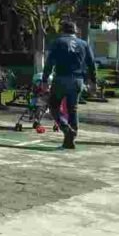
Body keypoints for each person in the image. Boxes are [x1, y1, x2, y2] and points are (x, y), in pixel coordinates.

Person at [41, 20, 96, 149]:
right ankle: (71, 138)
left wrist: (44, 80)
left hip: (61, 78)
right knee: (73, 109)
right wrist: (93, 81)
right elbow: (91, 64)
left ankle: (66, 129)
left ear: (62, 30)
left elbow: (49, 63)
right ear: (75, 31)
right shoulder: (84, 44)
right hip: (77, 80)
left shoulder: (58, 42)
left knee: (53, 106)